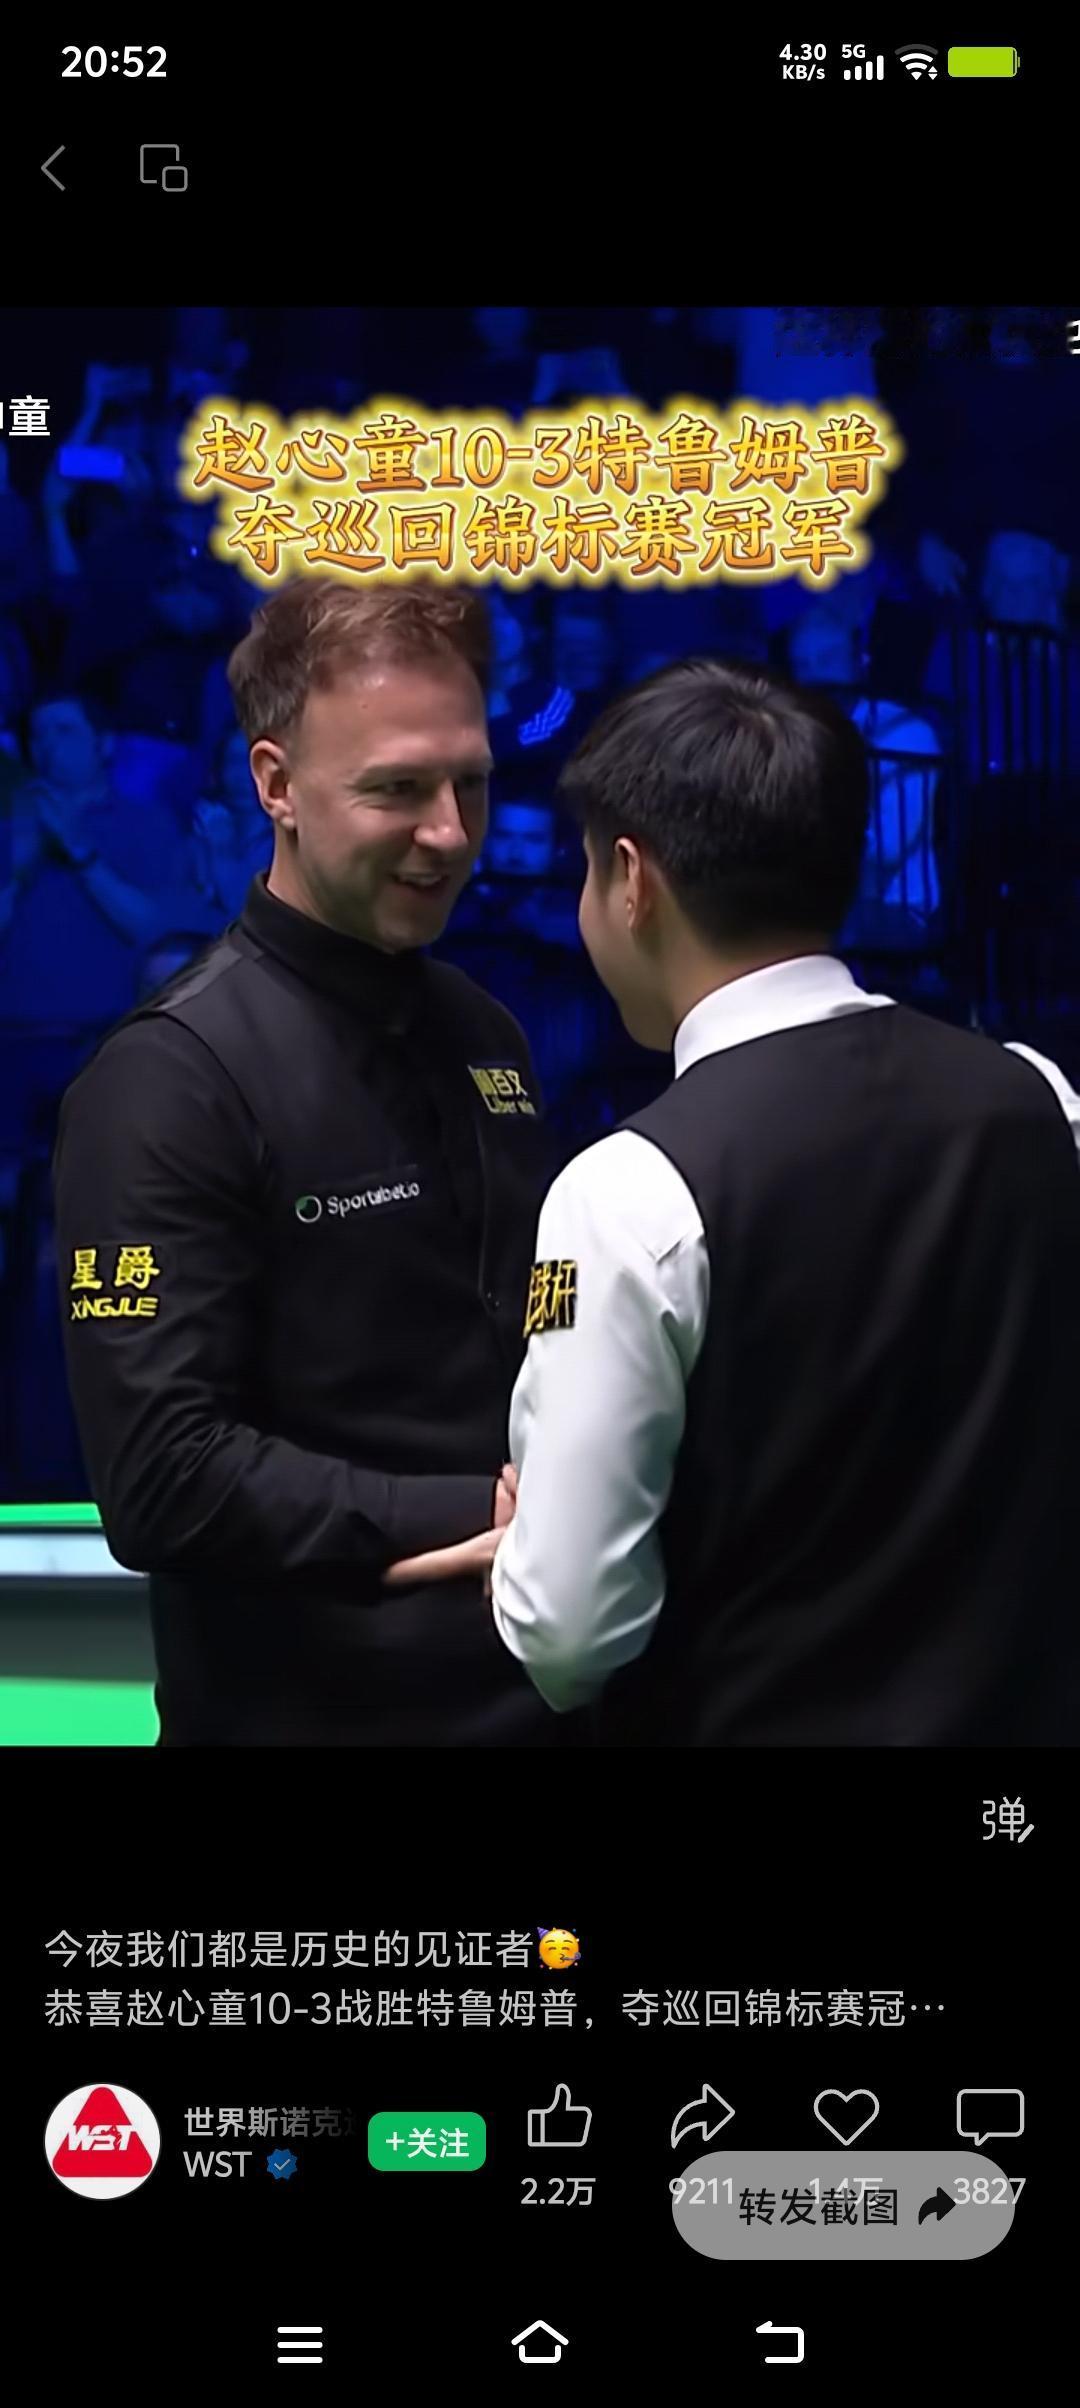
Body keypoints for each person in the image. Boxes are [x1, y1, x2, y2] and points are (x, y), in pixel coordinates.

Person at [463, 657, 1079, 1745]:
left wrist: (525, 1556)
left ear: (630, 879)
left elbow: (569, 1629)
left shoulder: (627, 1190)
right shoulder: (1042, 1097)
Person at [52, 577, 580, 1749]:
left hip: (545, 1696)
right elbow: (161, 1478)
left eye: (471, 783)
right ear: (276, 785)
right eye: (398, 788)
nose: (451, 832)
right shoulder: (167, 1080)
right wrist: (487, 1504)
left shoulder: (486, 1030)